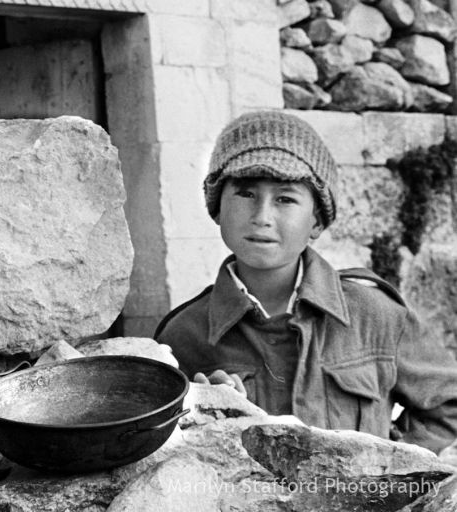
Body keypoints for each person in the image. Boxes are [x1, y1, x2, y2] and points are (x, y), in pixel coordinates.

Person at [155, 110, 457, 454]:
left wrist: (388, 463)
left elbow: (448, 404)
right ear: (217, 208)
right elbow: (164, 450)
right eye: (245, 193)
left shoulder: (375, 314)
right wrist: (211, 426)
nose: (262, 217)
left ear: (316, 221)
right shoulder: (182, 336)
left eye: (285, 199)